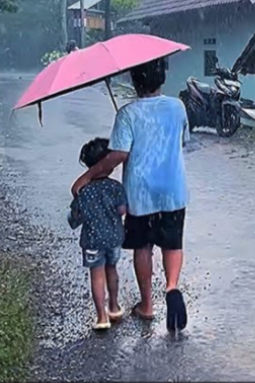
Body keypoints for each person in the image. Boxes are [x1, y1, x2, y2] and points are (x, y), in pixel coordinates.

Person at [71, 57, 191, 332]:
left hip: (141, 194)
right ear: (161, 78)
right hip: (174, 190)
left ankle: (147, 305)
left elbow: (119, 155)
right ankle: (172, 287)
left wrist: (88, 176)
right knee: (172, 243)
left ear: (135, 80)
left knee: (143, 247)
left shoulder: (127, 114)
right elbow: (183, 141)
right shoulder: (177, 107)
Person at [68, 137, 128, 331]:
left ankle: (102, 317)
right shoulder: (116, 187)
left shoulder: (84, 190)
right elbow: (122, 210)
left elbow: (74, 219)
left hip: (92, 240)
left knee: (97, 276)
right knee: (112, 270)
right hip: (114, 238)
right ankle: (114, 307)